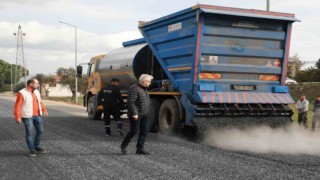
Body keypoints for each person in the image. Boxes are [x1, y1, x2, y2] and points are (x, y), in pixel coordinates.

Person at [14, 79, 49, 157]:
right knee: (29, 133)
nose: (38, 85)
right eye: (36, 83)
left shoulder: (36, 91)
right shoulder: (22, 93)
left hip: (37, 115)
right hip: (27, 116)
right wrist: (17, 116)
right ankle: (32, 150)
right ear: (30, 84)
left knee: (40, 131)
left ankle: (36, 146)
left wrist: (44, 110)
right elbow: (18, 106)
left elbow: (40, 102)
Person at [120, 74, 153, 155]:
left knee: (144, 131)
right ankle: (123, 145)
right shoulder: (134, 88)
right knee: (134, 131)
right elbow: (131, 102)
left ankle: (140, 149)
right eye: (149, 81)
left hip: (145, 114)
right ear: (144, 81)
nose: (150, 83)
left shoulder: (143, 88)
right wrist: (135, 113)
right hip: (136, 114)